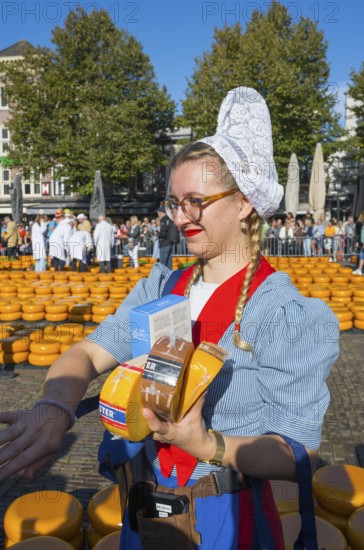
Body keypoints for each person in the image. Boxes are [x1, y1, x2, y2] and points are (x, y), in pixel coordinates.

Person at [0, 87, 339, 550]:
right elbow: (86, 352)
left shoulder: (282, 312)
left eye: (195, 201)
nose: (181, 217)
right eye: (175, 203)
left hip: (227, 518)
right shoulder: (161, 286)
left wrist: (209, 445)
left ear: (243, 202)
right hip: (143, 507)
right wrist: (55, 407)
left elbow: (298, 452)